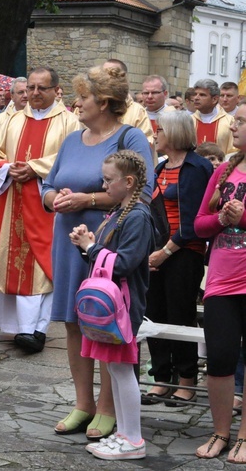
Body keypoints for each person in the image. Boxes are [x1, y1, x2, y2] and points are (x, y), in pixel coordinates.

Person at [42, 65, 154, 441]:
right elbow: (49, 183)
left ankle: (107, 407)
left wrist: (87, 198)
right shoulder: (73, 139)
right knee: (75, 321)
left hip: (108, 242)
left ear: (104, 102)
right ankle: (82, 402)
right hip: (69, 239)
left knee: (104, 321)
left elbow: (143, 192)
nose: (76, 104)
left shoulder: (130, 138)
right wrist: (53, 198)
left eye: (83, 97)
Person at [0, 67, 80, 353]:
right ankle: (17, 327)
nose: (35, 94)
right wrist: (7, 167)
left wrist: (35, 168)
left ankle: (36, 328)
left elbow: (71, 158)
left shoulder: (69, 123)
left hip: (46, 205)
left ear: (55, 90)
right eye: (30, 89)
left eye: (42, 88)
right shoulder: (10, 120)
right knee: (11, 261)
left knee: (42, 265)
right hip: (11, 198)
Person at [70, 150, 154, 461]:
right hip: (115, 303)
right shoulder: (120, 212)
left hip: (124, 306)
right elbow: (107, 256)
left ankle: (133, 438)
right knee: (115, 369)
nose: (103, 185)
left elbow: (124, 264)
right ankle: (123, 434)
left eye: (108, 180)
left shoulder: (137, 216)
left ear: (128, 182)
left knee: (122, 369)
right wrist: (88, 245)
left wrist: (90, 247)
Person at [142, 111, 212, 406]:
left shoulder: (197, 167)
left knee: (180, 314)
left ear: (174, 134)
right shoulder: (160, 168)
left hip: (184, 253)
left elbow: (193, 221)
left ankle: (186, 380)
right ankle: (161, 378)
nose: (155, 135)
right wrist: (151, 252)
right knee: (155, 313)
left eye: (160, 131)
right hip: (157, 251)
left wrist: (164, 252)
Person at [193, 103, 246, 462]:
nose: (233, 125)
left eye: (241, 121)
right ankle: (221, 432)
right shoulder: (227, 168)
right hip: (222, 280)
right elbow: (198, 224)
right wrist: (223, 220)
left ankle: (245, 437)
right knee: (221, 358)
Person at [191, 79, 234, 153]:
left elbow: (233, 150)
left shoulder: (230, 121)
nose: (196, 98)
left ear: (214, 99)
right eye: (195, 94)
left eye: (202, 95)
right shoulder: (189, 120)